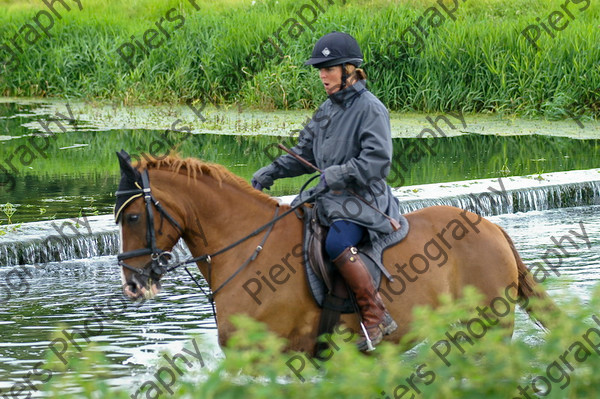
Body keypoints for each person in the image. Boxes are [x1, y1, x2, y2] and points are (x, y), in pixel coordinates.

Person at [251, 31, 399, 351]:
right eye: (320, 69)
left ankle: (376, 315)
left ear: (349, 70)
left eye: (328, 68)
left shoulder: (371, 108)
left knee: (336, 241)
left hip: (365, 199)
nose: (322, 75)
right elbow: (304, 154)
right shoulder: (326, 110)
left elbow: (378, 162)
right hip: (329, 198)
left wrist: (340, 173)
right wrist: (271, 172)